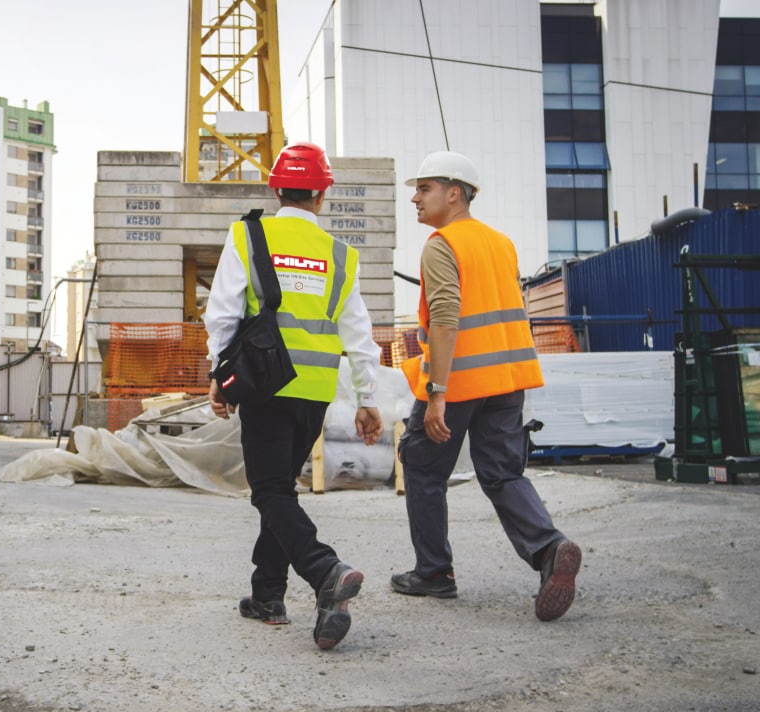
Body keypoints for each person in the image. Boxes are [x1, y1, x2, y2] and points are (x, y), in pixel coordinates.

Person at [205, 142, 384, 651]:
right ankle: (267, 596)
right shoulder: (341, 256)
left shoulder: (249, 234)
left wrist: (220, 375)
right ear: (322, 195)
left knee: (269, 490)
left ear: (276, 188)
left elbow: (222, 313)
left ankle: (324, 570)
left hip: (265, 383)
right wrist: (367, 398)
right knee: (280, 485)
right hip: (315, 390)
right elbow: (359, 334)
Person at [393, 150, 582, 622]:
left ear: (454, 193)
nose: (415, 198)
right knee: (502, 474)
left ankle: (434, 573)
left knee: (422, 467)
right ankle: (548, 549)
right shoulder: (501, 243)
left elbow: (445, 318)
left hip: (458, 382)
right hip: (507, 381)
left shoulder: (442, 244)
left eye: (424, 188)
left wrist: (436, 392)